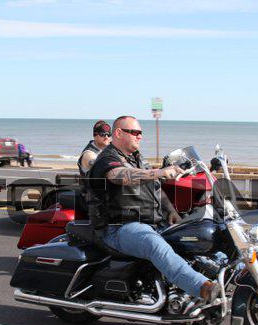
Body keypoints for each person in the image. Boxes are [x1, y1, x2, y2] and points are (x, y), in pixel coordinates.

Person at [87, 116, 219, 304]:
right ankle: (201, 287)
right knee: (153, 244)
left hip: (151, 223)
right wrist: (160, 172)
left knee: (193, 234)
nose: (139, 136)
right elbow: (119, 175)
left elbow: (156, 188)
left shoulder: (137, 159)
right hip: (118, 227)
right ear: (118, 133)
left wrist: (171, 212)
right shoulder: (107, 158)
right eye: (135, 132)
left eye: (141, 133)